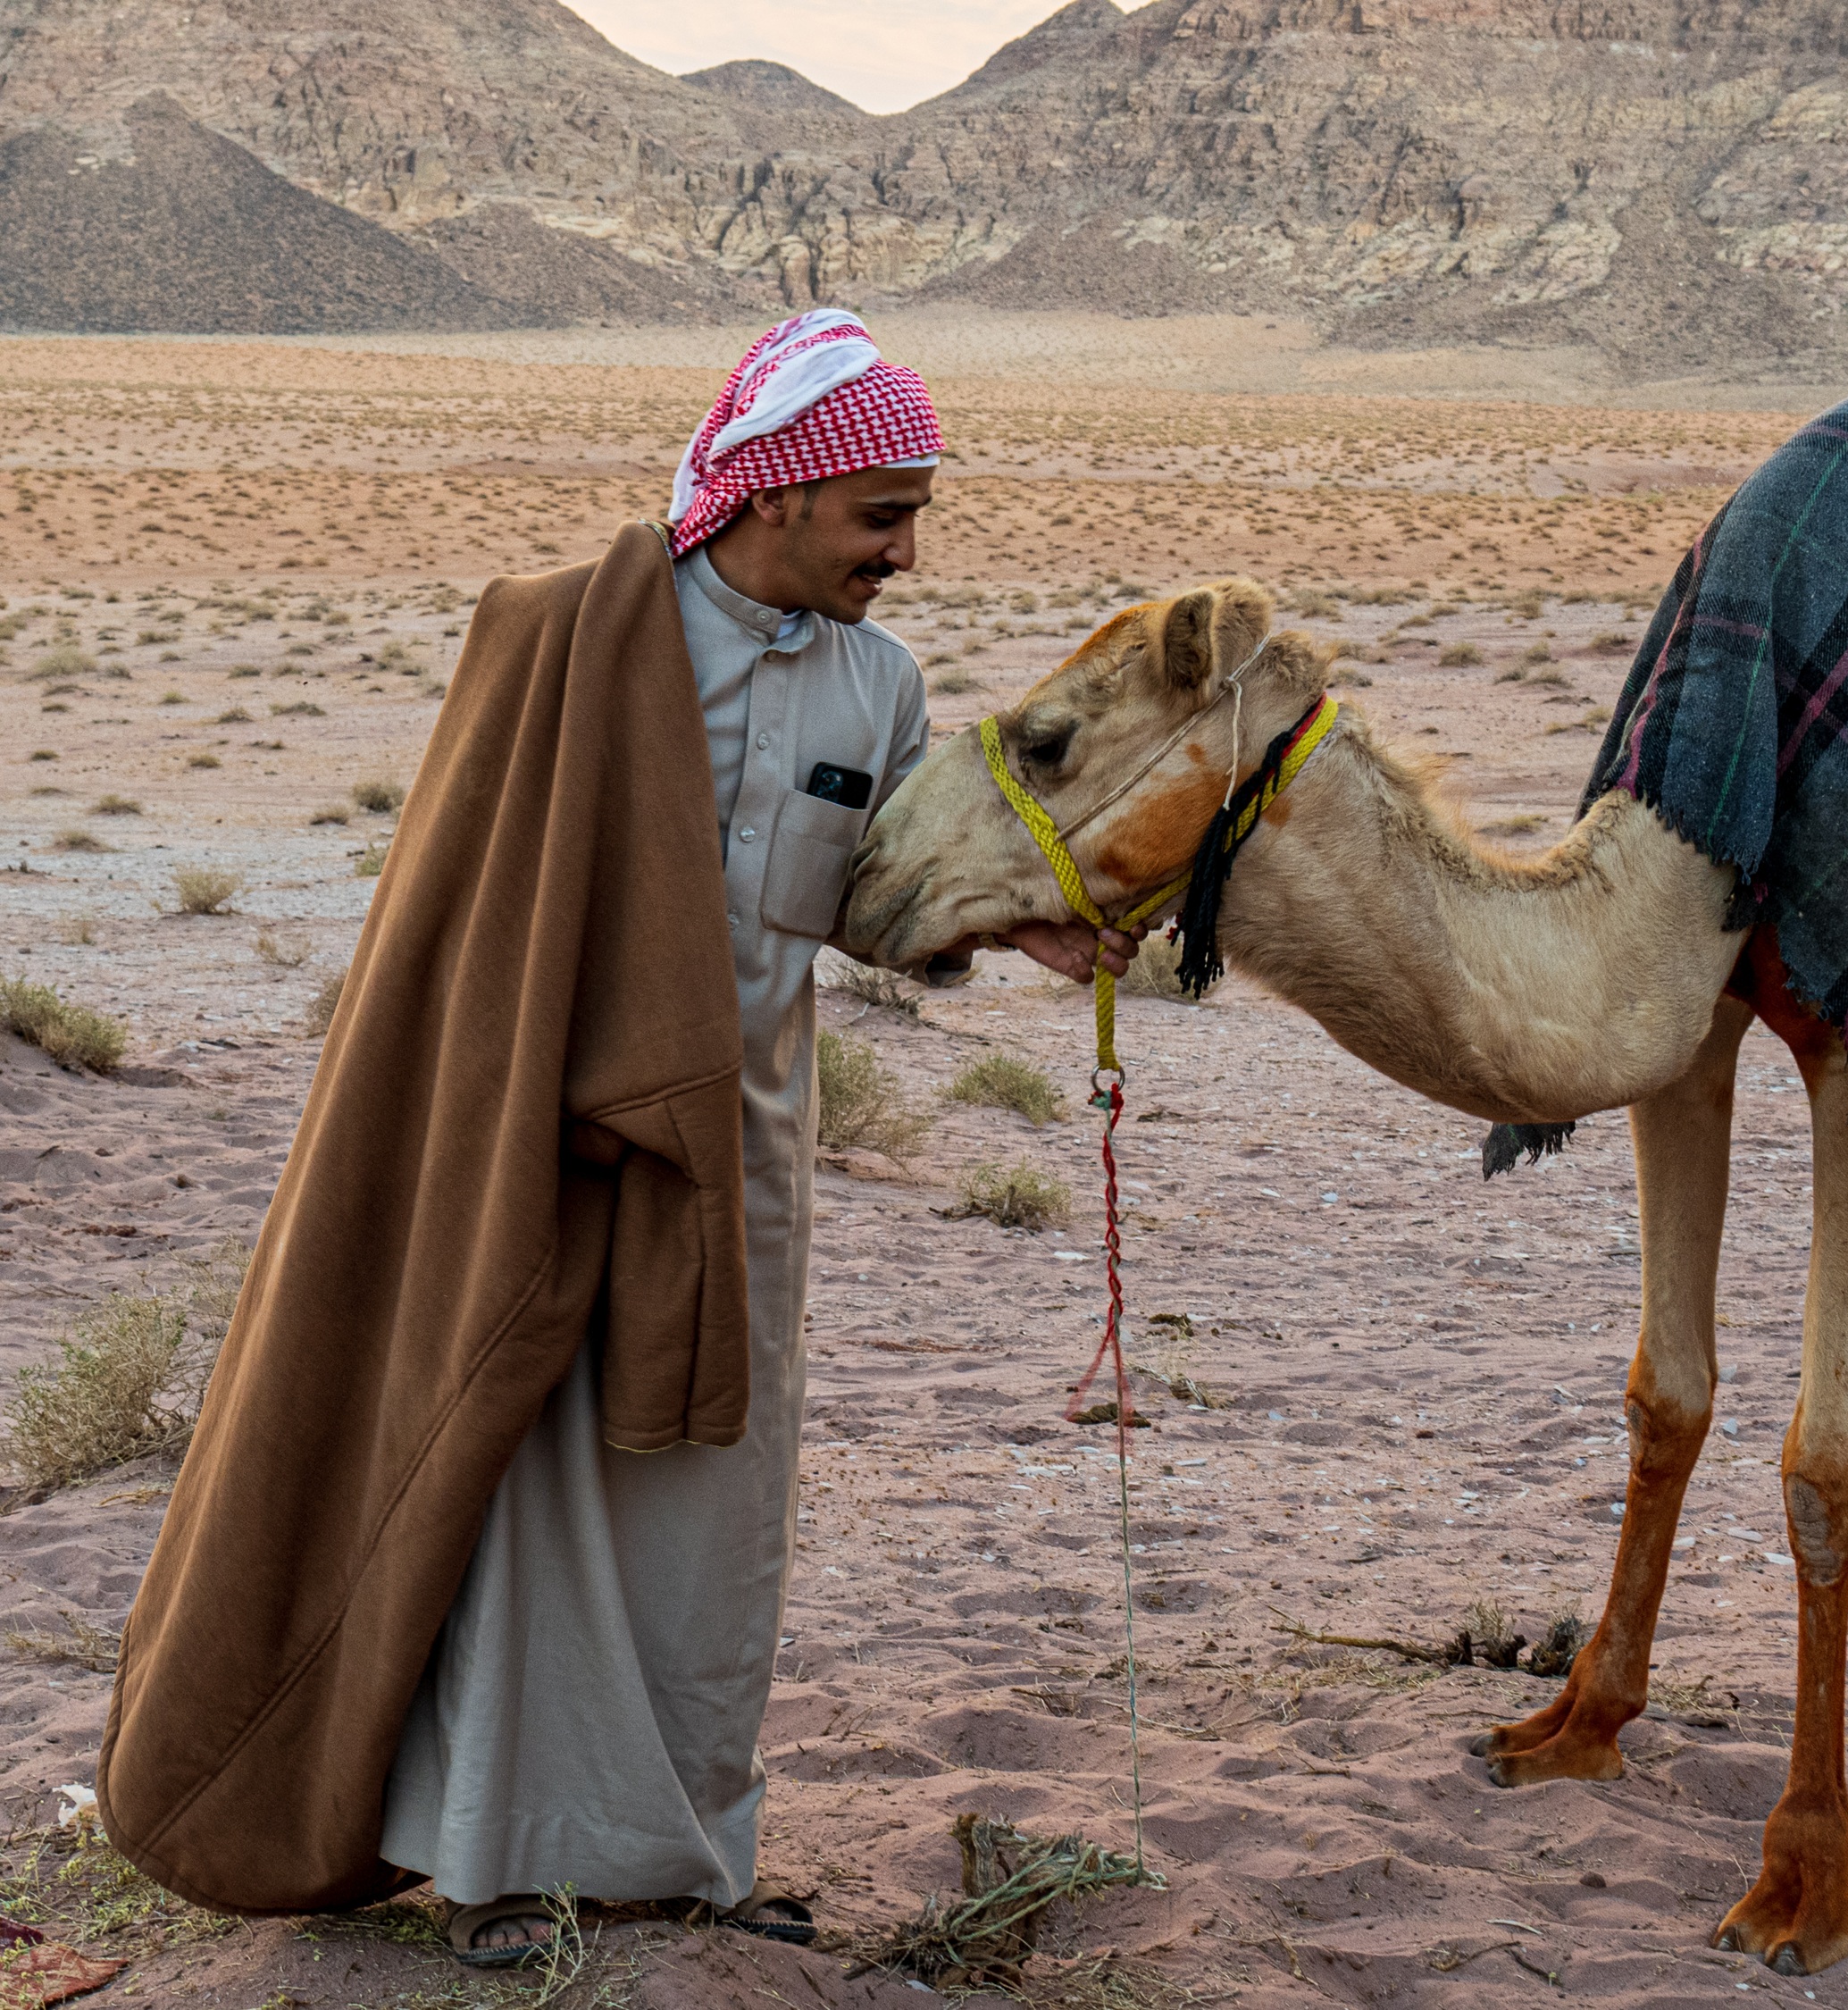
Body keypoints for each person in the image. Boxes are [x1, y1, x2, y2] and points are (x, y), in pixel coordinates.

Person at [96, 313, 1130, 1961]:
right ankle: (510, 1866)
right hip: (529, 1145)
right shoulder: (561, 637)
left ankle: (675, 1860)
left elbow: (868, 902)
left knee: (709, 1513)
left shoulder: (882, 684)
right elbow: (456, 923)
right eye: (881, 514)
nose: (907, 553)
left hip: (746, 1172)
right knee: (522, 1492)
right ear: (772, 495)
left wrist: (1016, 926)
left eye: (916, 513)